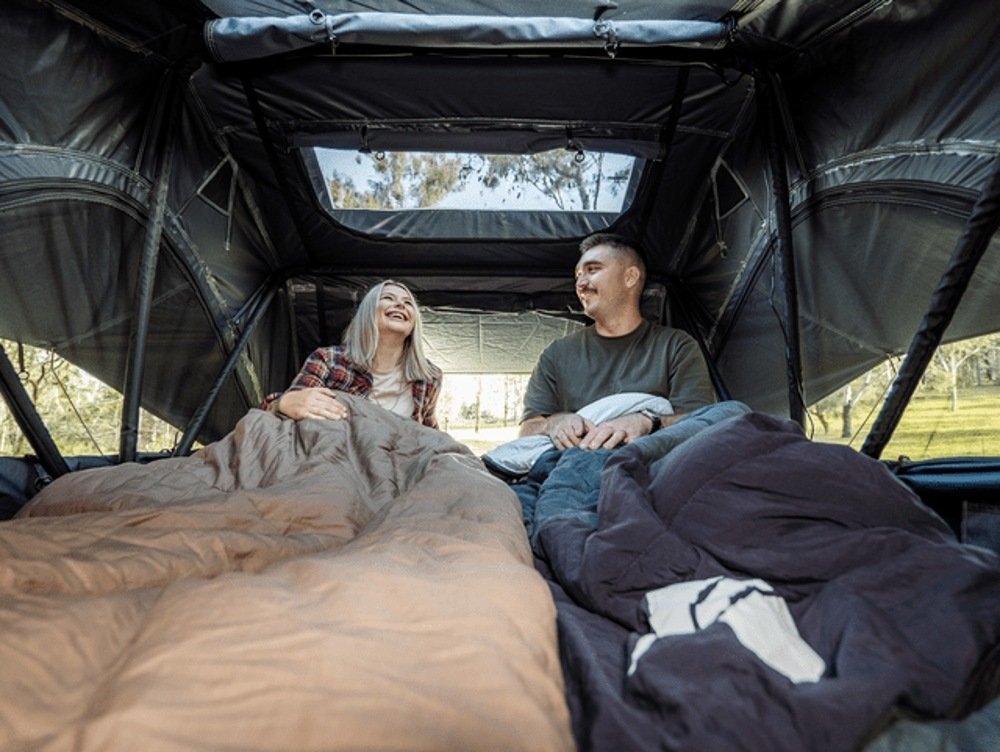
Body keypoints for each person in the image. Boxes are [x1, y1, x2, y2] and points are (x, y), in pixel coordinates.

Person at [519, 232, 717, 450]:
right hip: (576, 466)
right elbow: (527, 432)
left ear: (630, 277)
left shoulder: (676, 347)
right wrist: (553, 424)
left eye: (592, 270)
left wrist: (648, 422)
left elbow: (700, 423)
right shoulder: (556, 355)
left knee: (735, 411)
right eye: (578, 276)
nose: (581, 283)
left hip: (651, 469)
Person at [261, 280, 442, 428]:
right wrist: (283, 403)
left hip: (399, 467)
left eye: (408, 303)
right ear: (367, 313)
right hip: (336, 462)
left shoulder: (429, 377)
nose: (400, 304)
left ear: (413, 324)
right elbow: (274, 412)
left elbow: (429, 434)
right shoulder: (328, 360)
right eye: (388, 298)